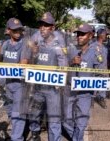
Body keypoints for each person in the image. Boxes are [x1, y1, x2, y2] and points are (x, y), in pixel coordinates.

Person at [28, 12, 68, 141]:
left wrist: (61, 81)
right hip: (37, 84)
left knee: (54, 116)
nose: (43, 27)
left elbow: (63, 60)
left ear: (53, 27)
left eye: (46, 25)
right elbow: (28, 52)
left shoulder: (59, 39)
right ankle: (35, 131)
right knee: (34, 112)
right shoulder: (36, 36)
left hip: (52, 86)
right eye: (41, 24)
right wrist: (32, 52)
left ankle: (54, 138)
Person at [0, 18, 31, 140]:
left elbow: (24, 63)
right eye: (14, 29)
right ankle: (18, 129)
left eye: (19, 29)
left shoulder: (25, 43)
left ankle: (17, 138)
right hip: (8, 83)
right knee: (11, 110)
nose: (18, 31)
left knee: (18, 112)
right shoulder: (5, 44)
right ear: (8, 30)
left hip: (21, 84)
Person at [63, 23, 95, 141]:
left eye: (82, 34)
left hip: (85, 93)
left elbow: (101, 73)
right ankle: (76, 137)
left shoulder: (96, 52)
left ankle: (77, 138)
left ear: (90, 36)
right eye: (78, 34)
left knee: (81, 121)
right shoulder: (71, 49)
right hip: (70, 89)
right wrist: (72, 62)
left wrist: (98, 91)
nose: (79, 37)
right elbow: (62, 66)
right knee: (66, 118)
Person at [92, 29, 109, 109]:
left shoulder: (105, 48)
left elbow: (104, 60)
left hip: (104, 70)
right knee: (92, 86)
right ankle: (91, 100)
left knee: (103, 86)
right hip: (95, 70)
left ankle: (101, 99)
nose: (107, 36)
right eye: (106, 34)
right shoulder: (92, 46)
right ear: (101, 35)